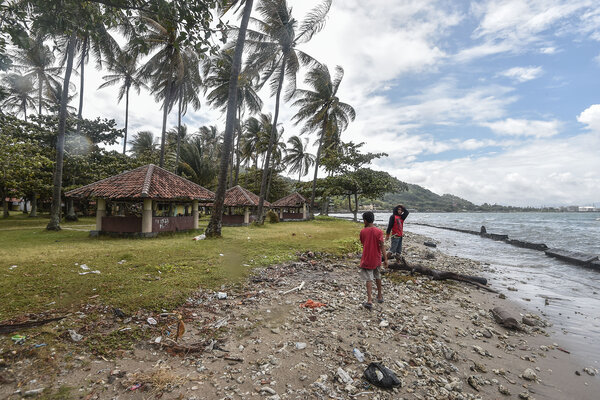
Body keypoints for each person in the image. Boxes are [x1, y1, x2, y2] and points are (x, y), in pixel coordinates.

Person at [359, 211, 388, 310]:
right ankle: (380, 296)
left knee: (369, 279)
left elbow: (363, 243)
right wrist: (386, 259)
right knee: (377, 276)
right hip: (377, 258)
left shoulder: (363, 231)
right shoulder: (379, 231)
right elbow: (382, 246)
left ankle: (369, 300)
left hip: (367, 259)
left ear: (365, 221)